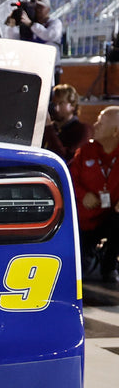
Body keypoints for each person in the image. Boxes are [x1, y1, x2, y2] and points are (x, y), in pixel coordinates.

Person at [67, 106, 119, 281]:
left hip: (108, 218)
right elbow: (69, 179)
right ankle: (94, 255)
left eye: (101, 123)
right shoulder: (85, 151)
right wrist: (83, 195)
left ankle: (109, 266)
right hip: (82, 221)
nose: (94, 125)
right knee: (79, 270)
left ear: (115, 131)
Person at [4, 0, 63, 76]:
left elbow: (49, 35)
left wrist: (31, 24)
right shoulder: (28, 27)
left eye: (41, 7)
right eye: (36, 7)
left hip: (50, 67)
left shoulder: (55, 23)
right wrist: (12, 25)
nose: (37, 10)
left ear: (48, 9)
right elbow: (15, 39)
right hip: (32, 67)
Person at [42, 83, 90, 163]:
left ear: (72, 106)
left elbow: (65, 158)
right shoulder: (52, 128)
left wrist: (49, 128)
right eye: (54, 104)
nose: (56, 108)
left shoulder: (81, 129)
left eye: (61, 104)